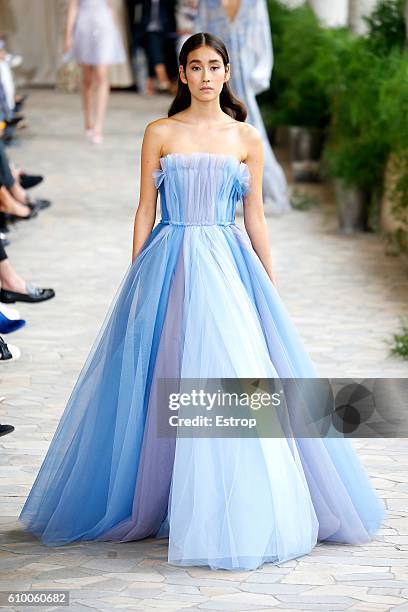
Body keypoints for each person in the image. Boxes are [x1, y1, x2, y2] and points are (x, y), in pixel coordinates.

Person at [19, 33, 386, 572]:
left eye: (215, 66)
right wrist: (136, 271)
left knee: (235, 376)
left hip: (228, 262)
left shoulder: (246, 138)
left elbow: (255, 216)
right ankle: (166, 496)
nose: (207, 76)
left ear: (228, 72)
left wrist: (269, 281)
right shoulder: (159, 132)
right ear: (182, 75)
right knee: (161, 373)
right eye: (196, 67)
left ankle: (237, 503)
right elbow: (145, 207)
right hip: (170, 259)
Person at [195, 0, 291, 216]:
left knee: (250, 130)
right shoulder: (208, 3)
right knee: (212, 131)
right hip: (214, 75)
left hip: (244, 76)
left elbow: (261, 34)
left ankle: (269, 192)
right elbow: (198, 35)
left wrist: (259, 74)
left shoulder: (254, 3)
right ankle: (215, 193)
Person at [64, 0, 127, 144]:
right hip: (84, 26)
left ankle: (98, 126)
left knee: (102, 74)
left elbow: (112, 7)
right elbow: (73, 7)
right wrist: (68, 35)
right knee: (87, 78)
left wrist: (115, 32)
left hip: (104, 25)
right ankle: (88, 121)